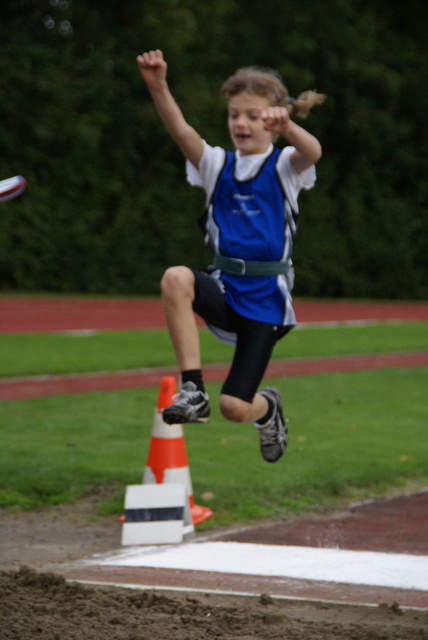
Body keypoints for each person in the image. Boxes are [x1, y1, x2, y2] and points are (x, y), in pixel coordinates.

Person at [137, 49, 324, 463]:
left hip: (265, 302)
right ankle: (192, 388)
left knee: (235, 408)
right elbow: (181, 131)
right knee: (176, 277)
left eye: (252, 116)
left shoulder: (283, 167)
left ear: (272, 120)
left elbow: (312, 151)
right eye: (234, 115)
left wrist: (290, 128)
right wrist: (158, 86)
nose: (240, 123)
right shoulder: (215, 164)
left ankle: (268, 407)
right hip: (224, 287)